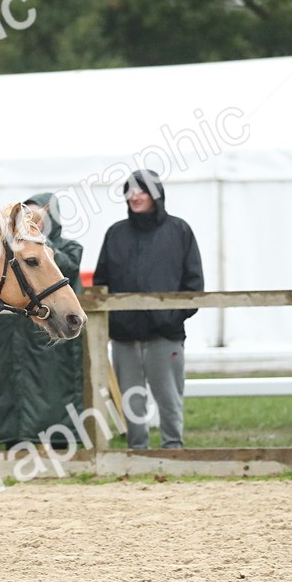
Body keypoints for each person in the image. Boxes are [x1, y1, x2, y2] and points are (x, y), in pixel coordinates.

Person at [93, 169, 204, 450]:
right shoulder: (115, 234)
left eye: (141, 190)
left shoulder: (180, 231)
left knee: (169, 397)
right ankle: (137, 450)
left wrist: (170, 318)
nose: (134, 196)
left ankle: (173, 448)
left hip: (166, 335)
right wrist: (116, 320)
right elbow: (100, 283)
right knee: (131, 398)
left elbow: (194, 285)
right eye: (129, 190)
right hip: (124, 337)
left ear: (156, 194)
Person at [0, 193, 84, 449]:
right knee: (13, 386)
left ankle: (58, 439)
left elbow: (68, 268)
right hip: (14, 335)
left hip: (51, 335)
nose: (33, 222)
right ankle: (15, 438)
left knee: (54, 389)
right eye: (27, 217)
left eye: (39, 218)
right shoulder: (11, 253)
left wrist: (42, 248)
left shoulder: (69, 248)